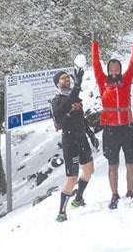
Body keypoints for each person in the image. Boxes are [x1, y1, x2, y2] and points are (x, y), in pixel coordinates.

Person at [91, 27, 133, 209]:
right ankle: (114, 195)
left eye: (116, 69)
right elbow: (95, 62)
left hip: (127, 127)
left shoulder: (126, 80)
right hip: (110, 130)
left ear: (120, 70)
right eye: (111, 69)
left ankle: (130, 191)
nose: (114, 72)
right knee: (113, 165)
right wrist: (94, 43)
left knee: (131, 164)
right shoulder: (102, 81)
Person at [53, 67, 98, 222]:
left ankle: (78, 198)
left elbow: (81, 118)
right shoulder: (57, 101)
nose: (67, 79)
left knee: (88, 171)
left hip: (82, 139)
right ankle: (62, 212)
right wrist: (77, 86)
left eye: (68, 77)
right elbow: (65, 106)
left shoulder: (75, 98)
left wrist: (91, 135)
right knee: (72, 178)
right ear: (57, 84)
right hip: (70, 142)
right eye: (63, 78)